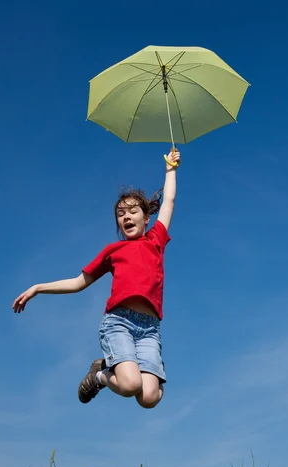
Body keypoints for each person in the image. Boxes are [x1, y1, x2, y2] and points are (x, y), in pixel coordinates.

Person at [12, 149, 180, 409]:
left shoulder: (156, 240)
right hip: (120, 322)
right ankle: (100, 375)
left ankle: (147, 373)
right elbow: (79, 282)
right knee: (129, 385)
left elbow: (168, 202)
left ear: (147, 218)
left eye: (133, 211)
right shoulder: (113, 251)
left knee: (149, 398)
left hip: (150, 329)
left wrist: (170, 169)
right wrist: (38, 288)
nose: (126, 216)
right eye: (121, 214)